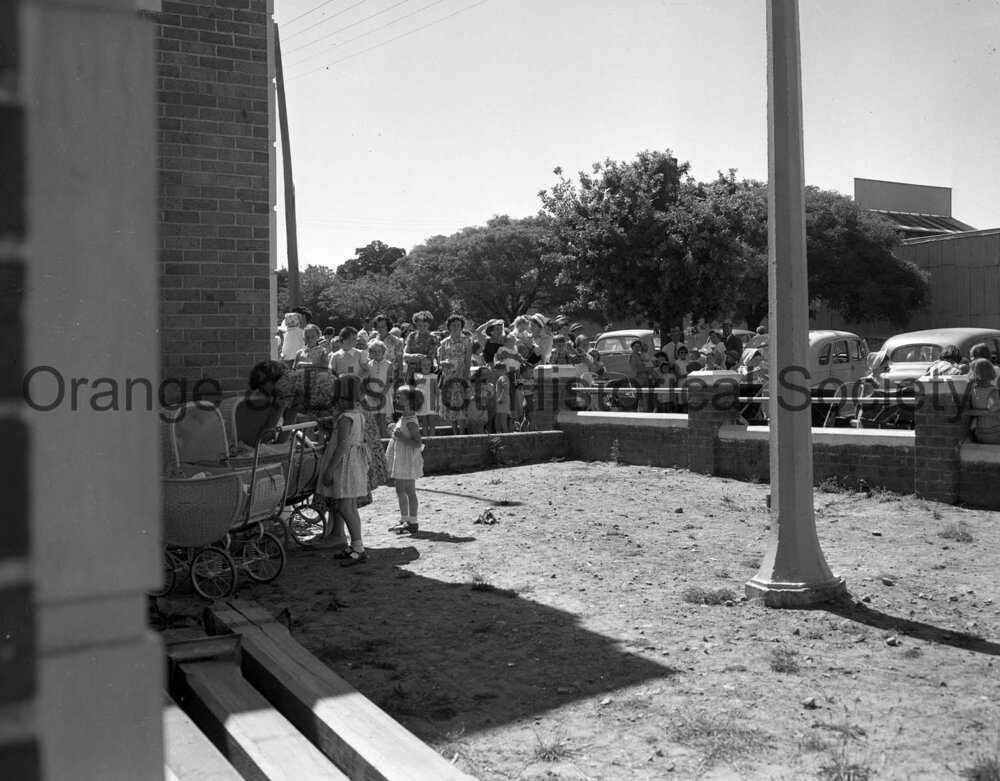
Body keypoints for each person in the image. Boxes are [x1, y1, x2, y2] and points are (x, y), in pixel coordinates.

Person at [318, 375, 370, 566]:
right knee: (351, 506)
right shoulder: (359, 414)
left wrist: (329, 469)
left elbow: (342, 445)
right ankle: (356, 545)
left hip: (345, 465)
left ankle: (358, 548)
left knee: (344, 507)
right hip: (355, 462)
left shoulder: (345, 418)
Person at [385, 385, 424, 535]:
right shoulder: (404, 418)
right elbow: (401, 437)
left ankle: (412, 521)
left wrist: (400, 437)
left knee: (409, 490)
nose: (396, 400)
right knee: (400, 489)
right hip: (401, 460)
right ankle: (404, 519)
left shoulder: (411, 421)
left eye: (399, 397)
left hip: (407, 461)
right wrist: (394, 432)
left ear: (408, 401)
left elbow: (417, 443)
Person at [437, 314, 473, 435]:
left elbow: (468, 360)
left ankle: (462, 432)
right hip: (449, 377)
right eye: (454, 325)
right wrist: (445, 363)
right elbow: (440, 361)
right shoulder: (444, 342)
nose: (456, 327)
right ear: (449, 327)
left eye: (458, 325)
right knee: (451, 405)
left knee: (461, 404)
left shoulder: (467, 340)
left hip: (461, 375)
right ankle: (455, 432)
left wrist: (466, 375)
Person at [968, 358, 1000, 444]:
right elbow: (993, 408)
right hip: (994, 431)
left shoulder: (974, 390)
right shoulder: (993, 391)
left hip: (979, 432)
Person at [365, 341, 393, 437]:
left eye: (379, 351)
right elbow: (366, 381)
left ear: (383, 351)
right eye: (374, 351)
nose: (377, 353)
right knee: (373, 420)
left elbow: (389, 382)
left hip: (383, 395)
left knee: (383, 420)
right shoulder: (368, 364)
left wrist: (380, 395)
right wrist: (373, 395)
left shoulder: (389, 364)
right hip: (371, 396)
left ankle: (384, 442)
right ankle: (375, 443)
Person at [403, 310, 439, 381]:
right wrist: (413, 356)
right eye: (419, 325)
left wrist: (414, 357)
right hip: (411, 372)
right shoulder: (411, 336)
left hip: (426, 371)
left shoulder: (433, 338)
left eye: (424, 326)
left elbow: (431, 356)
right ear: (416, 324)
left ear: (429, 325)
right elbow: (404, 355)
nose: (422, 328)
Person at [372, 314, 404, 388]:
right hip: (376, 376)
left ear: (388, 326)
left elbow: (400, 362)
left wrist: (400, 378)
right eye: (378, 327)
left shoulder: (396, 341)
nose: (381, 329)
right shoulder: (372, 342)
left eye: (383, 326)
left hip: (391, 376)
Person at [413, 355, 439, 437]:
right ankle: (425, 439)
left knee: (431, 421)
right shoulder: (416, 376)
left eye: (428, 364)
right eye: (424, 364)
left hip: (431, 402)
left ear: (431, 365)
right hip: (421, 402)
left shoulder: (434, 376)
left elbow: (437, 391)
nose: (426, 366)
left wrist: (438, 403)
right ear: (420, 365)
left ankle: (432, 439)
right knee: (424, 421)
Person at [493, 359, 512, 433]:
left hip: (503, 402)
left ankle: (506, 438)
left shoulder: (502, 378)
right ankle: (501, 435)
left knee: (502, 422)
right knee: (499, 421)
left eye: (496, 370)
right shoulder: (503, 377)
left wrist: (501, 398)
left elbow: (506, 386)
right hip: (502, 402)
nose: (495, 372)